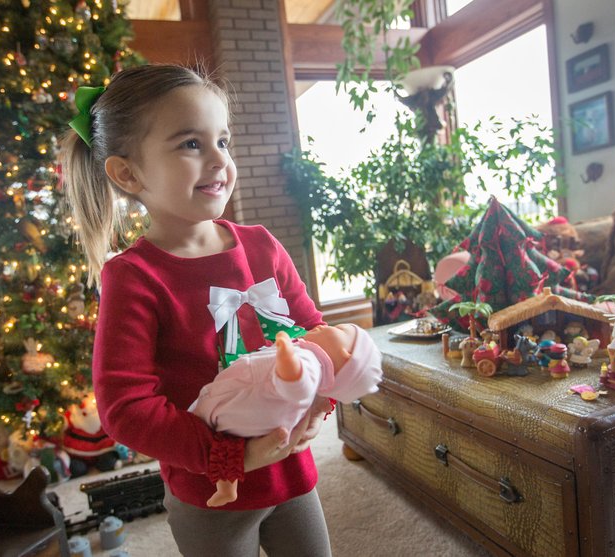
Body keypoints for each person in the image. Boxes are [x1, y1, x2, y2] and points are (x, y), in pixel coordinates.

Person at [60, 64, 334, 556]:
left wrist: (320, 401)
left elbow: (313, 331)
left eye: (223, 142)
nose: (218, 161)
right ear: (128, 173)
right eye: (191, 144)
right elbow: (127, 408)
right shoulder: (133, 277)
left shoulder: (262, 246)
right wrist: (230, 456)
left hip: (294, 476)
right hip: (210, 497)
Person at [190, 324, 383, 507]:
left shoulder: (311, 361)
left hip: (231, 404)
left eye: (339, 329)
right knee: (229, 443)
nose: (325, 325)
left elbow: (299, 387)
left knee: (205, 422)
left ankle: (226, 484)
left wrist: (287, 359)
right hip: (249, 418)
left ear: (346, 356)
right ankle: (226, 486)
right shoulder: (312, 361)